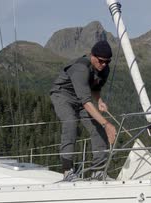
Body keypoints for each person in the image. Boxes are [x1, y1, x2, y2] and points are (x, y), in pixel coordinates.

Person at [50, 40, 117, 180]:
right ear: (92, 56)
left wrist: (99, 101)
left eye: (107, 62)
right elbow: (86, 102)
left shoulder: (104, 69)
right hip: (62, 95)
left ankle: (98, 172)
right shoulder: (81, 68)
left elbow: (96, 88)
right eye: (101, 61)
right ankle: (68, 171)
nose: (103, 64)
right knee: (70, 122)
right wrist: (107, 124)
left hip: (80, 98)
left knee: (97, 128)